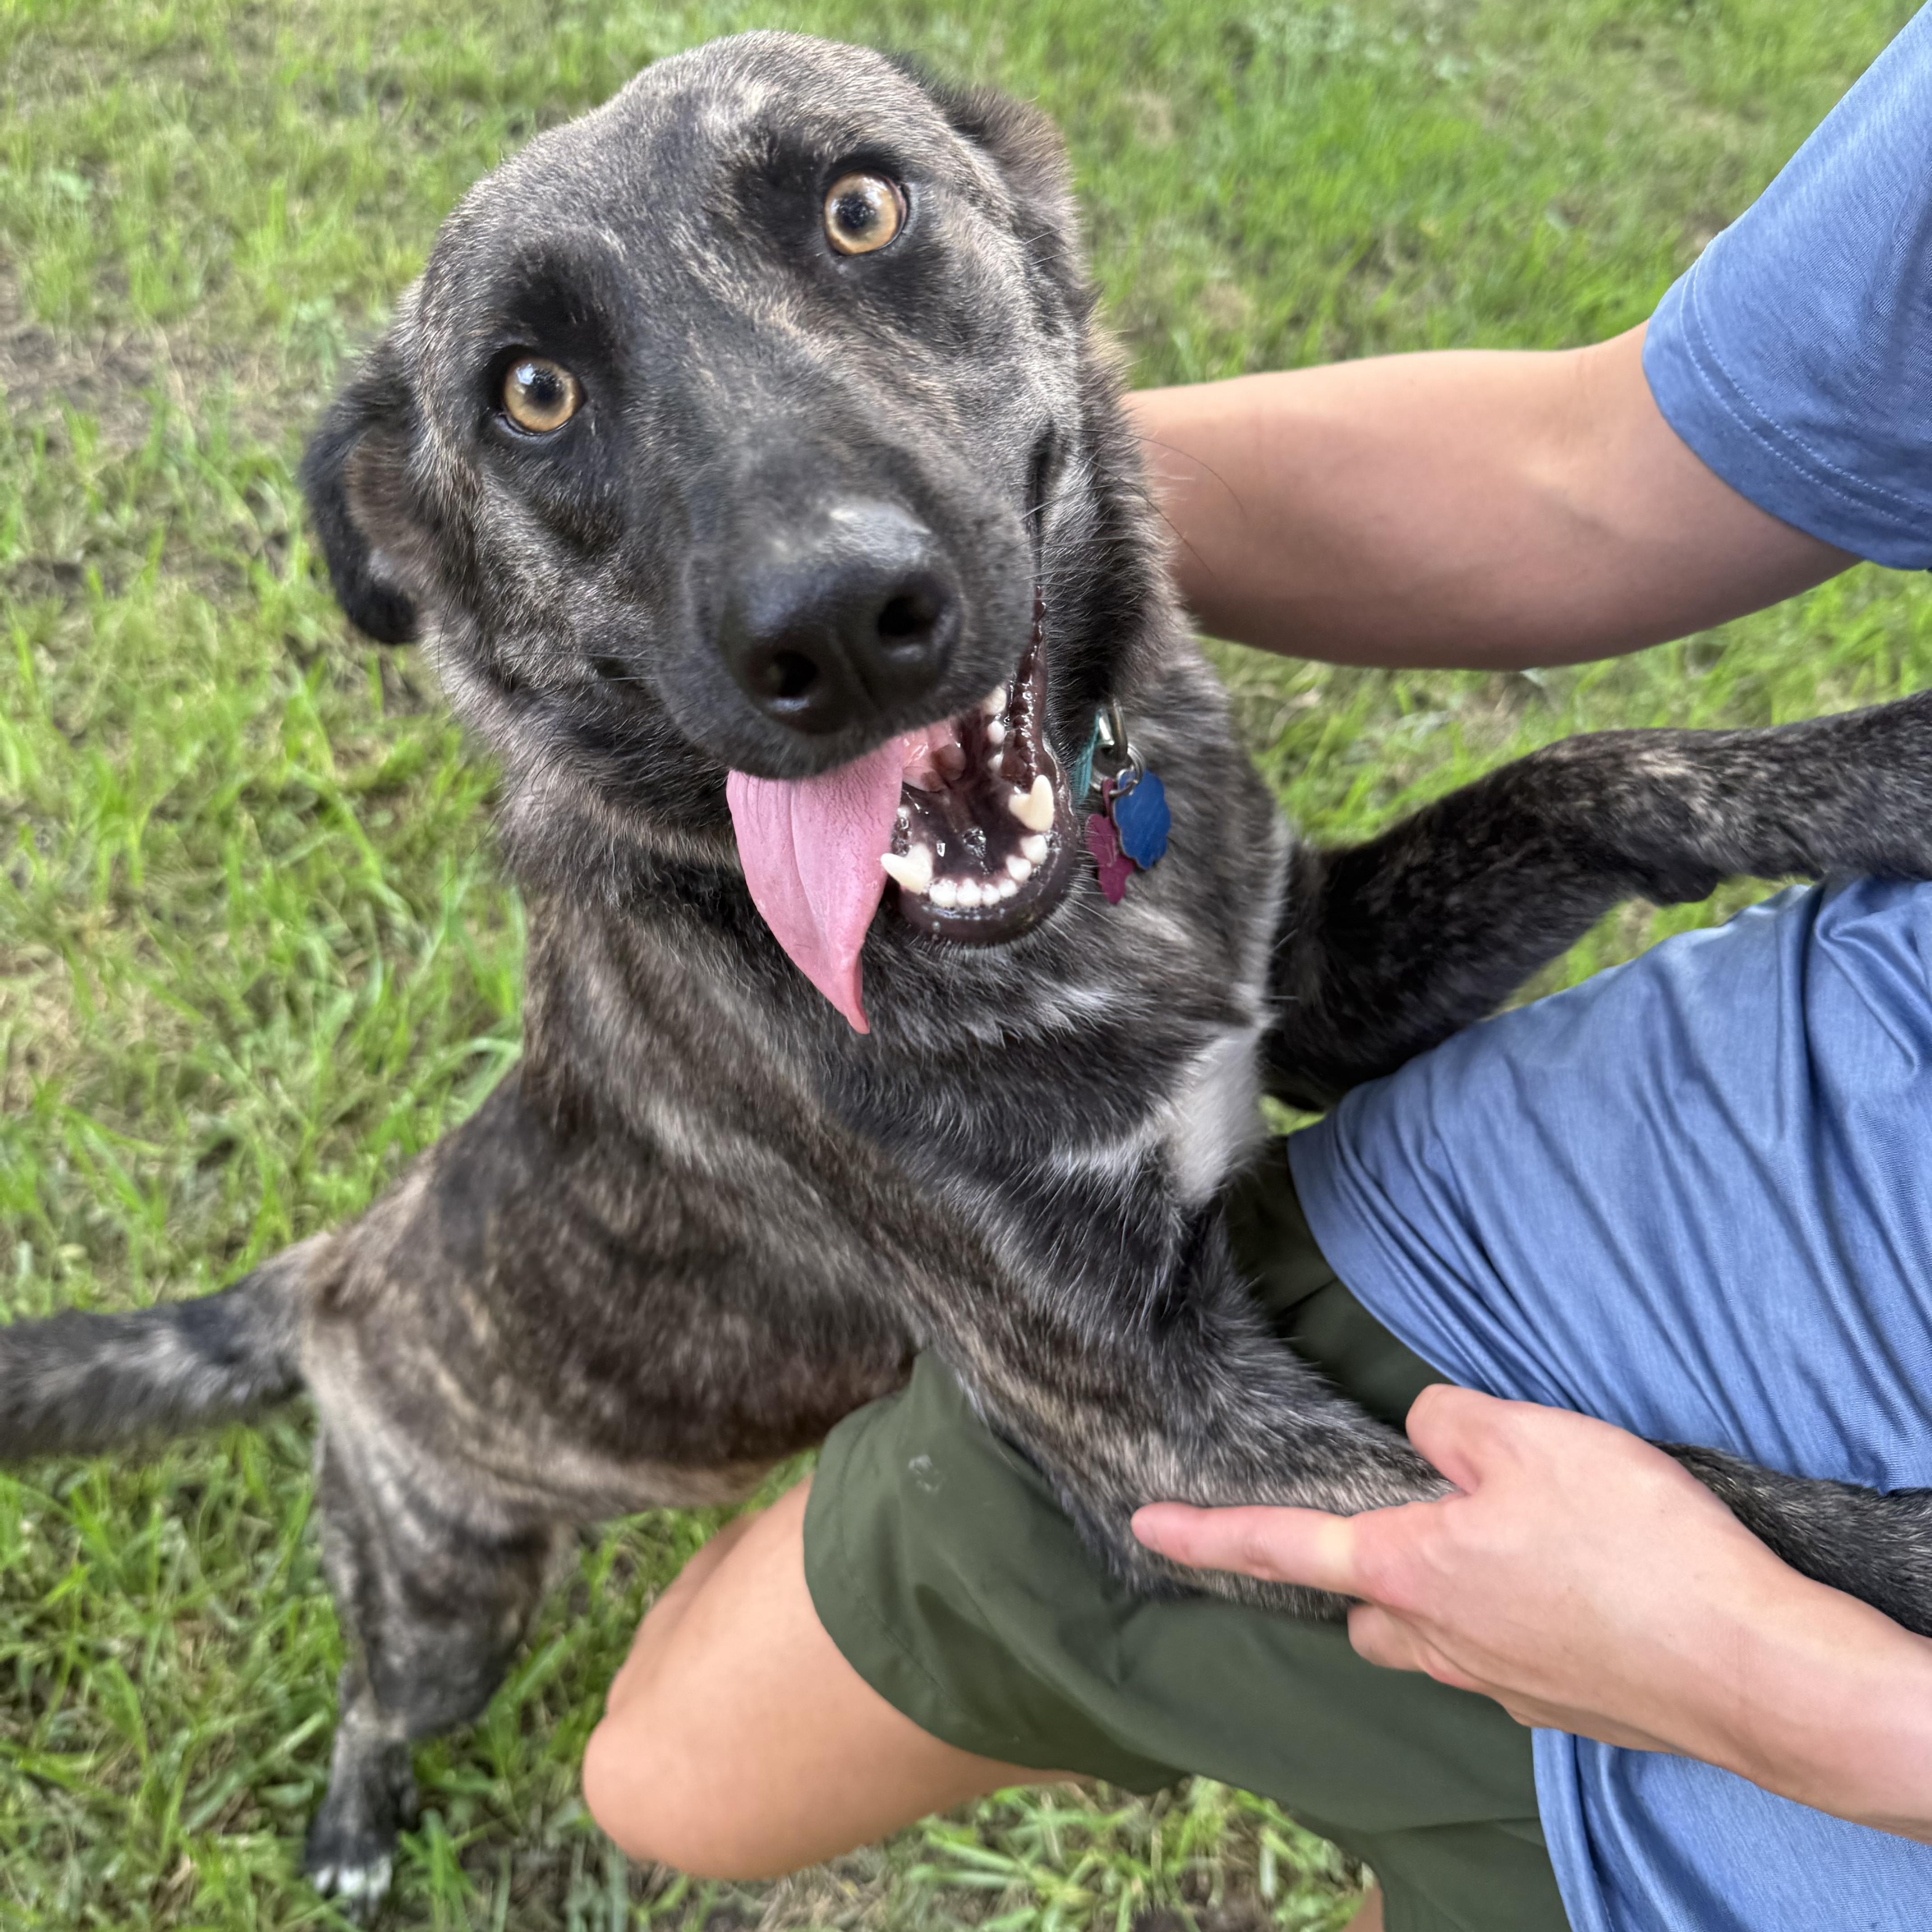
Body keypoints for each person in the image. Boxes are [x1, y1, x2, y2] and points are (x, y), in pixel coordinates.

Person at [580, 11, 1932, 1931]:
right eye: (546, 402)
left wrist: (1783, 1687)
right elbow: (1603, 475)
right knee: (660, 1775)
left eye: (861, 214)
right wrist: (1015, 526)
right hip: (1575, 1253)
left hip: (1718, 1727)